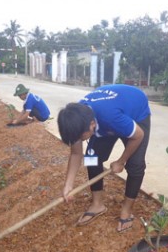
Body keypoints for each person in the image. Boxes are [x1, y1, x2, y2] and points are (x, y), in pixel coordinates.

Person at [57, 84, 151, 233]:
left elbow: (138, 135)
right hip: (112, 113)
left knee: (135, 165)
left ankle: (126, 210)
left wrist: (121, 161)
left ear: (92, 125)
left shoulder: (110, 118)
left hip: (136, 111)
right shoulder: (76, 121)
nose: (79, 141)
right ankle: (97, 204)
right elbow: (76, 154)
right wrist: (68, 185)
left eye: (81, 138)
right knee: (91, 158)